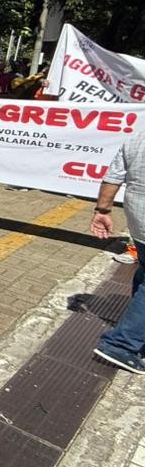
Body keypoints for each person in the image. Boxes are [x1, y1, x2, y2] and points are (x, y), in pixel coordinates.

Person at [90, 131, 145, 372]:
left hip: (138, 219)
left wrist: (102, 210)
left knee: (143, 270)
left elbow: (113, 177)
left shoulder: (138, 137)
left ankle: (136, 326)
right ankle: (120, 344)